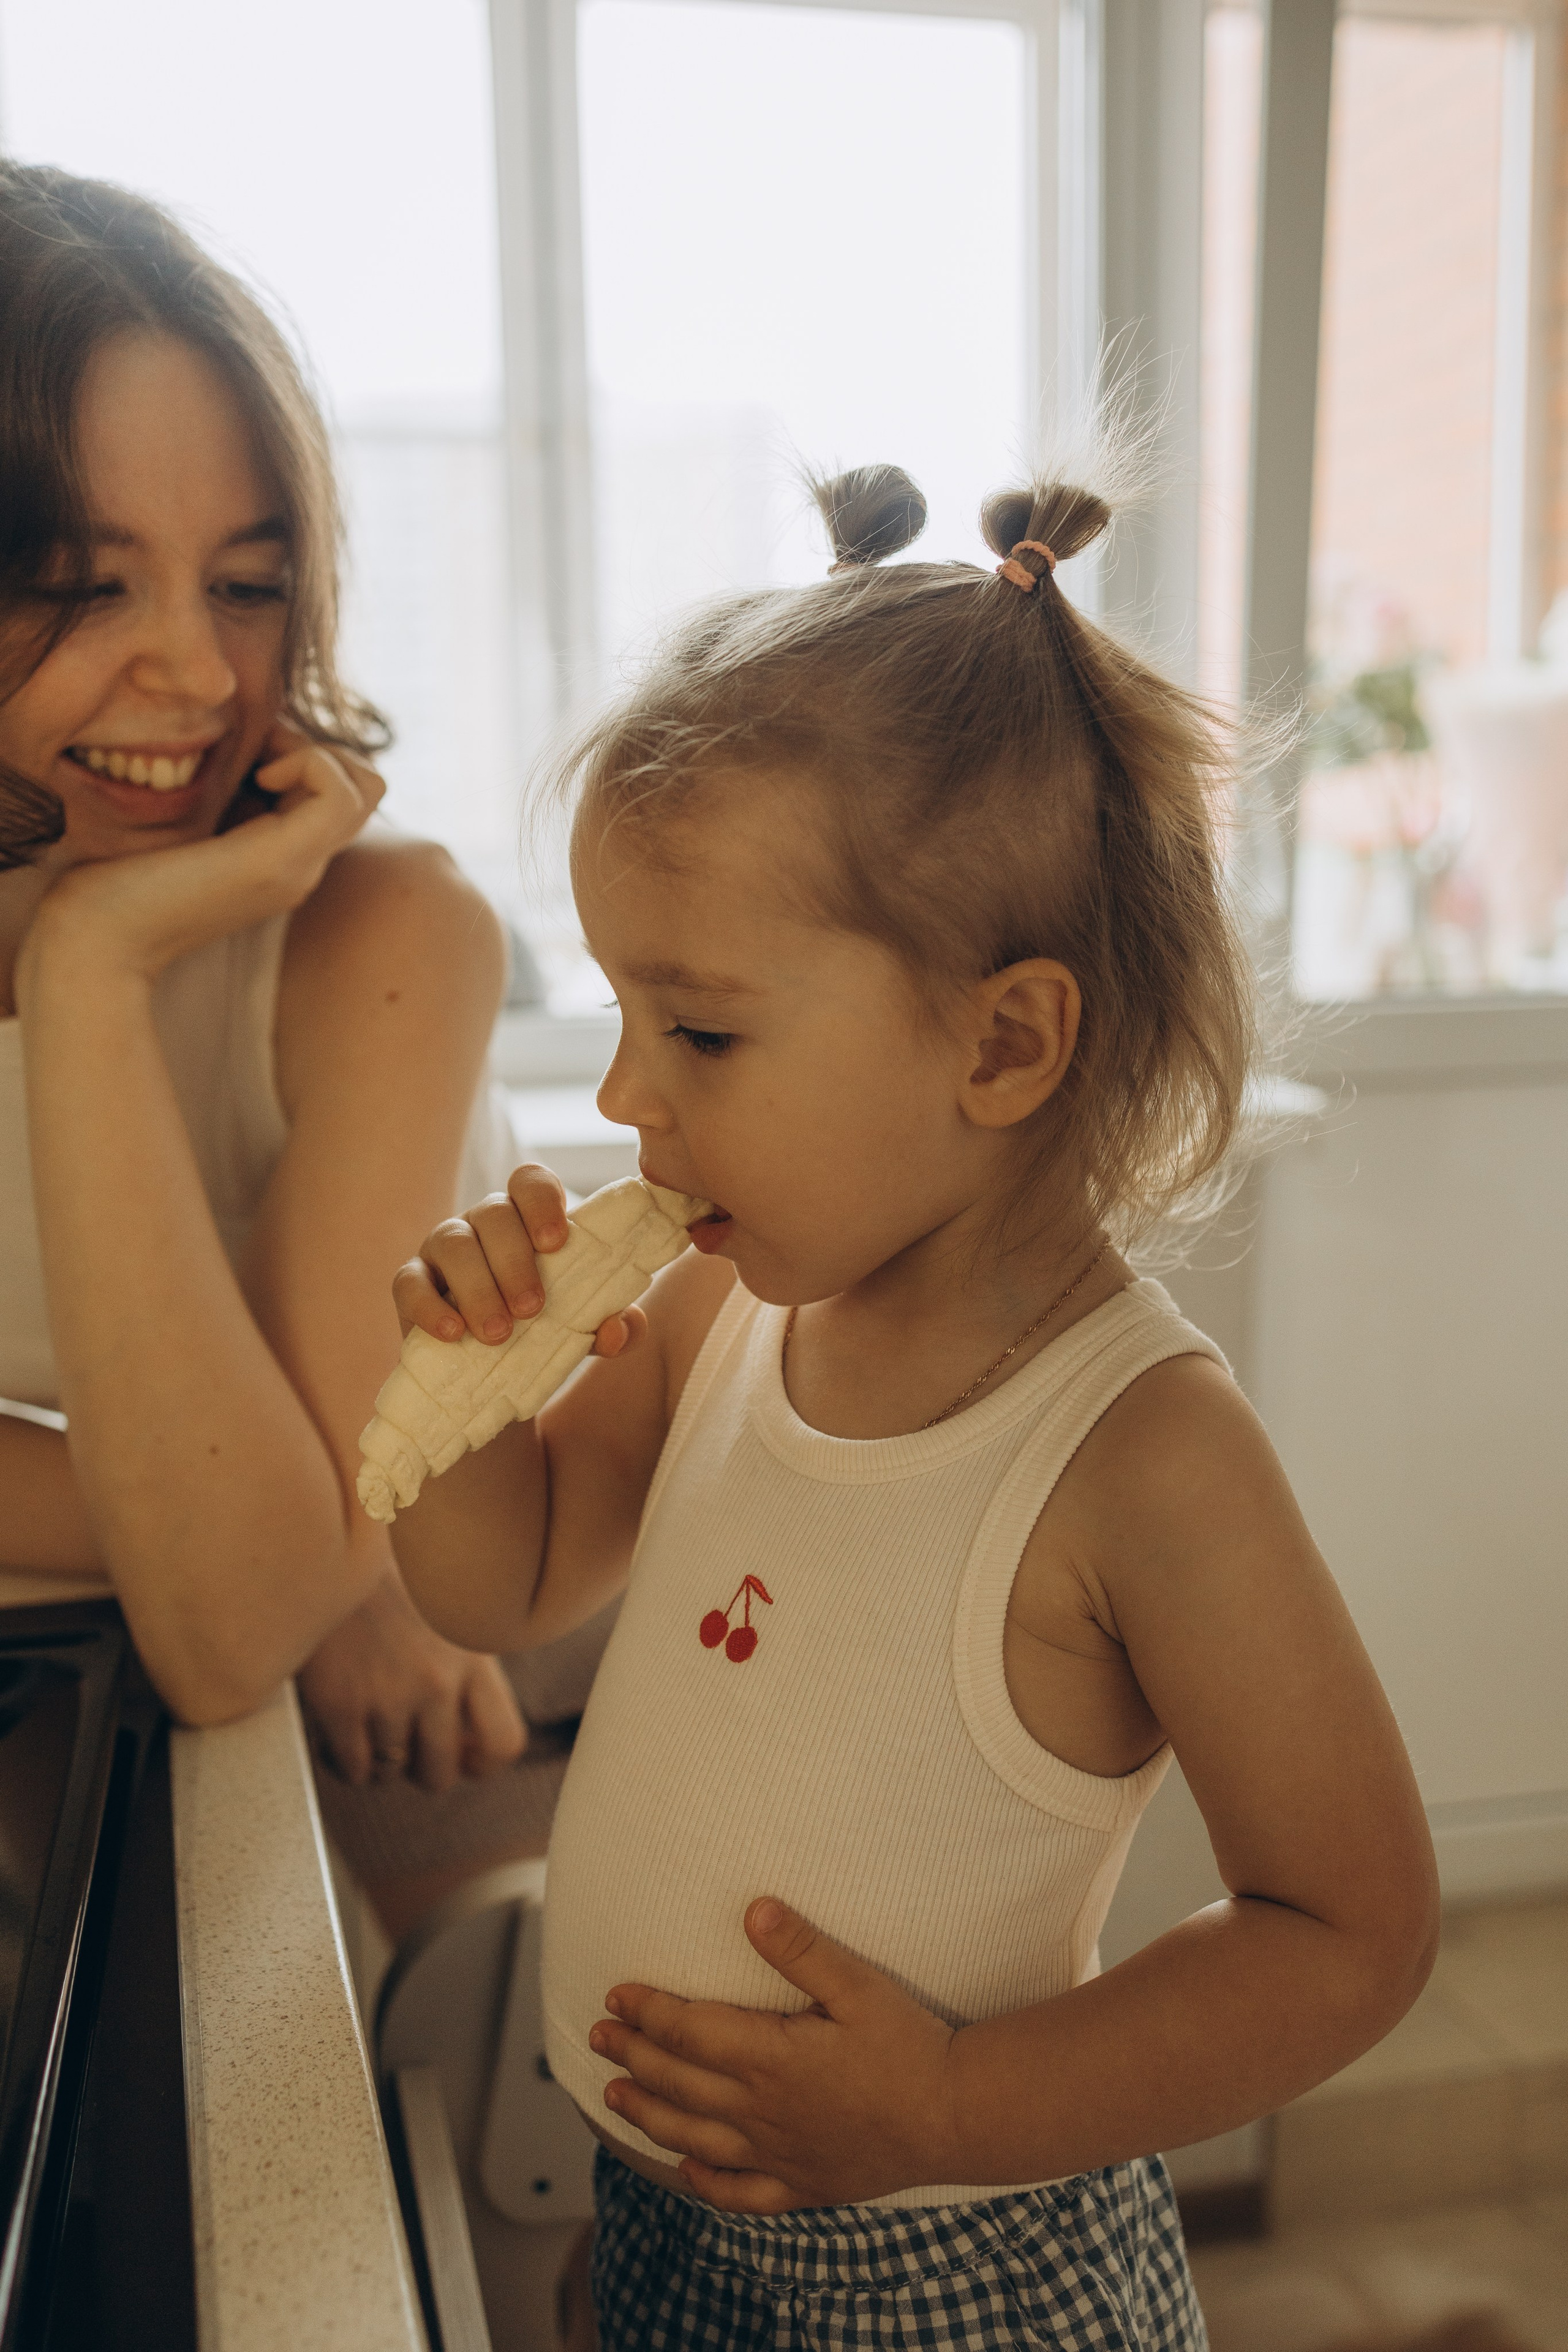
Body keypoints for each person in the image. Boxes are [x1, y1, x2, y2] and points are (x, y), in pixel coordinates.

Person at [380, 460, 1440, 2348]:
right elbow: (502, 1581)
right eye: (623, 1012)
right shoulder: (718, 1302)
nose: (631, 1096)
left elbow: (1350, 1933)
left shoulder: (1143, 1460)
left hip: (954, 2286)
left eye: (697, 1027)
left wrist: (945, 2106)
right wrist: (453, 1404)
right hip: (663, 2224)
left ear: (1003, 1040)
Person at [0, 162, 597, 1926]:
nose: (192, 673)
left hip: (509, 1692)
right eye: (84, 585)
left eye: (246, 586)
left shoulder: (381, 939)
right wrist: (309, 1530)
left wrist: (95, 970)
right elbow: (264, 1561)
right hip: (244, 1661)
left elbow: (241, 1609)